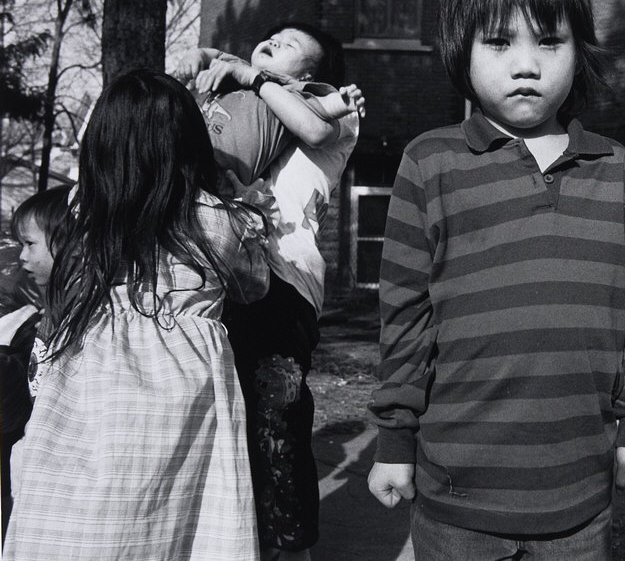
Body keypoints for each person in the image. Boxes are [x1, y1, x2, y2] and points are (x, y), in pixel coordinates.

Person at [366, 0, 625, 560]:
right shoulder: (431, 162)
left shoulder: (612, 168)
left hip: (580, 500)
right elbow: (404, 315)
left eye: (549, 41)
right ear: (462, 50)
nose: (526, 64)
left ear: (577, 51)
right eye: (499, 42)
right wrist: (395, 438)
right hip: (458, 498)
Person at [5, 69, 271, 560]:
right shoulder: (220, 219)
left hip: (92, 386)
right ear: (190, 145)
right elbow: (255, 287)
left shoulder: (85, 211)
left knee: (83, 516)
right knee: (176, 520)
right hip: (185, 393)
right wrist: (243, 204)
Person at [220, 55, 363, 557]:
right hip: (232, 269)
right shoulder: (249, 108)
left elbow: (313, 127)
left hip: (285, 280)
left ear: (309, 71)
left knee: (276, 417)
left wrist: (249, 74)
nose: (266, 45)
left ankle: (292, 546)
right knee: (233, 420)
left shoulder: (338, 104)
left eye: (283, 44)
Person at [173, 21, 356, 188]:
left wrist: (342, 102)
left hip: (214, 173)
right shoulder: (236, 65)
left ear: (306, 76)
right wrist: (193, 55)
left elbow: (319, 122)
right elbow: (210, 54)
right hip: (178, 147)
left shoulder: (291, 94)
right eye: (273, 38)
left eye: (290, 45)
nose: (274, 42)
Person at [0, 185, 70, 544]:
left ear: (65, 243)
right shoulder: (39, 314)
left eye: (30, 244)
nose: (21, 256)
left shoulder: (72, 317)